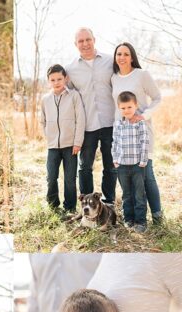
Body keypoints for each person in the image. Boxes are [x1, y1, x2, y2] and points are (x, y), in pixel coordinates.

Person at [112, 42, 163, 224]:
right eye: (119, 54)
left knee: (147, 174)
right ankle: (133, 217)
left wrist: (144, 115)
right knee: (129, 180)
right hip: (124, 137)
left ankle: (157, 215)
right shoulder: (114, 78)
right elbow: (117, 108)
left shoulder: (142, 75)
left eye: (126, 54)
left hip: (142, 132)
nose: (122, 57)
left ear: (132, 57)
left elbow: (158, 98)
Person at [67, 28, 117, 202]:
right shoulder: (70, 69)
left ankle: (108, 202)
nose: (85, 44)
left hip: (111, 122)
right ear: (75, 44)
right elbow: (69, 98)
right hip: (87, 125)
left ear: (94, 40)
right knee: (85, 166)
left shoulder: (110, 61)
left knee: (111, 166)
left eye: (88, 39)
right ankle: (88, 203)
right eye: (80, 41)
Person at [40, 65, 85, 215]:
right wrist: (48, 137)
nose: (57, 82)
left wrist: (78, 142)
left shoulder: (74, 96)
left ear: (65, 78)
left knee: (70, 179)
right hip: (53, 146)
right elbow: (42, 121)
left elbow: (80, 120)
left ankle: (70, 207)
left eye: (59, 79)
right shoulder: (45, 99)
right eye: (53, 80)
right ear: (49, 81)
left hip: (70, 145)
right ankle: (53, 206)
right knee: (51, 177)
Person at [112, 92, 151, 232]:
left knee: (139, 194)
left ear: (136, 106)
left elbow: (144, 142)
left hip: (137, 166)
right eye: (123, 108)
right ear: (119, 108)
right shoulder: (117, 124)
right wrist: (115, 160)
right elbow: (115, 143)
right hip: (122, 166)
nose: (126, 110)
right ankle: (128, 220)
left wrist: (143, 160)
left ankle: (141, 222)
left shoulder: (140, 123)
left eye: (129, 107)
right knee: (126, 194)